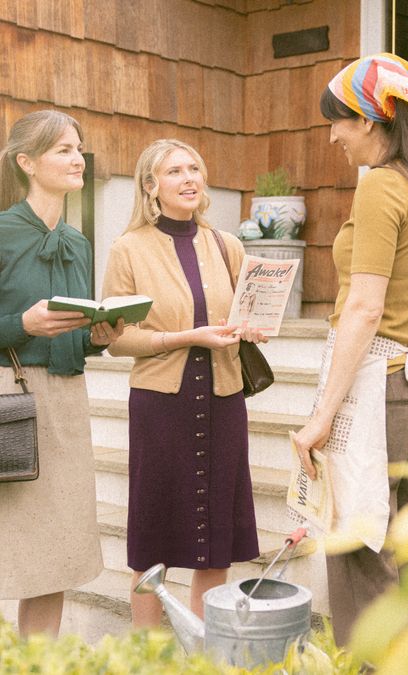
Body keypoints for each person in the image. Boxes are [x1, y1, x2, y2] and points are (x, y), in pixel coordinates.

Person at [290, 53, 408, 645]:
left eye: (338, 121)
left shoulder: (383, 186)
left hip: (373, 388)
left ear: (370, 119)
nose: (334, 135)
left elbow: (364, 308)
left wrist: (319, 417)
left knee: (360, 545)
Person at [102, 139, 266, 628]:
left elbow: (245, 316)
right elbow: (114, 339)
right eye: (174, 171)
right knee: (152, 545)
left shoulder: (226, 245)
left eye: (195, 167)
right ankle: (149, 656)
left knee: (216, 547)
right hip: (160, 407)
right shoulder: (127, 248)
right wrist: (184, 337)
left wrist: (252, 326)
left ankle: (203, 653)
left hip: (223, 400)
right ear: (151, 187)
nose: (189, 177)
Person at [0, 110, 124, 637]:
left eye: (79, 149)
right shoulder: (2, 234)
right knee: (12, 544)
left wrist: (98, 336)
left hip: (68, 407)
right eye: (63, 150)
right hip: (10, 398)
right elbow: (26, 327)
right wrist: (21, 324)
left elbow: (71, 335)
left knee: (54, 555)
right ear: (27, 162)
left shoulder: (79, 242)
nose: (78, 159)